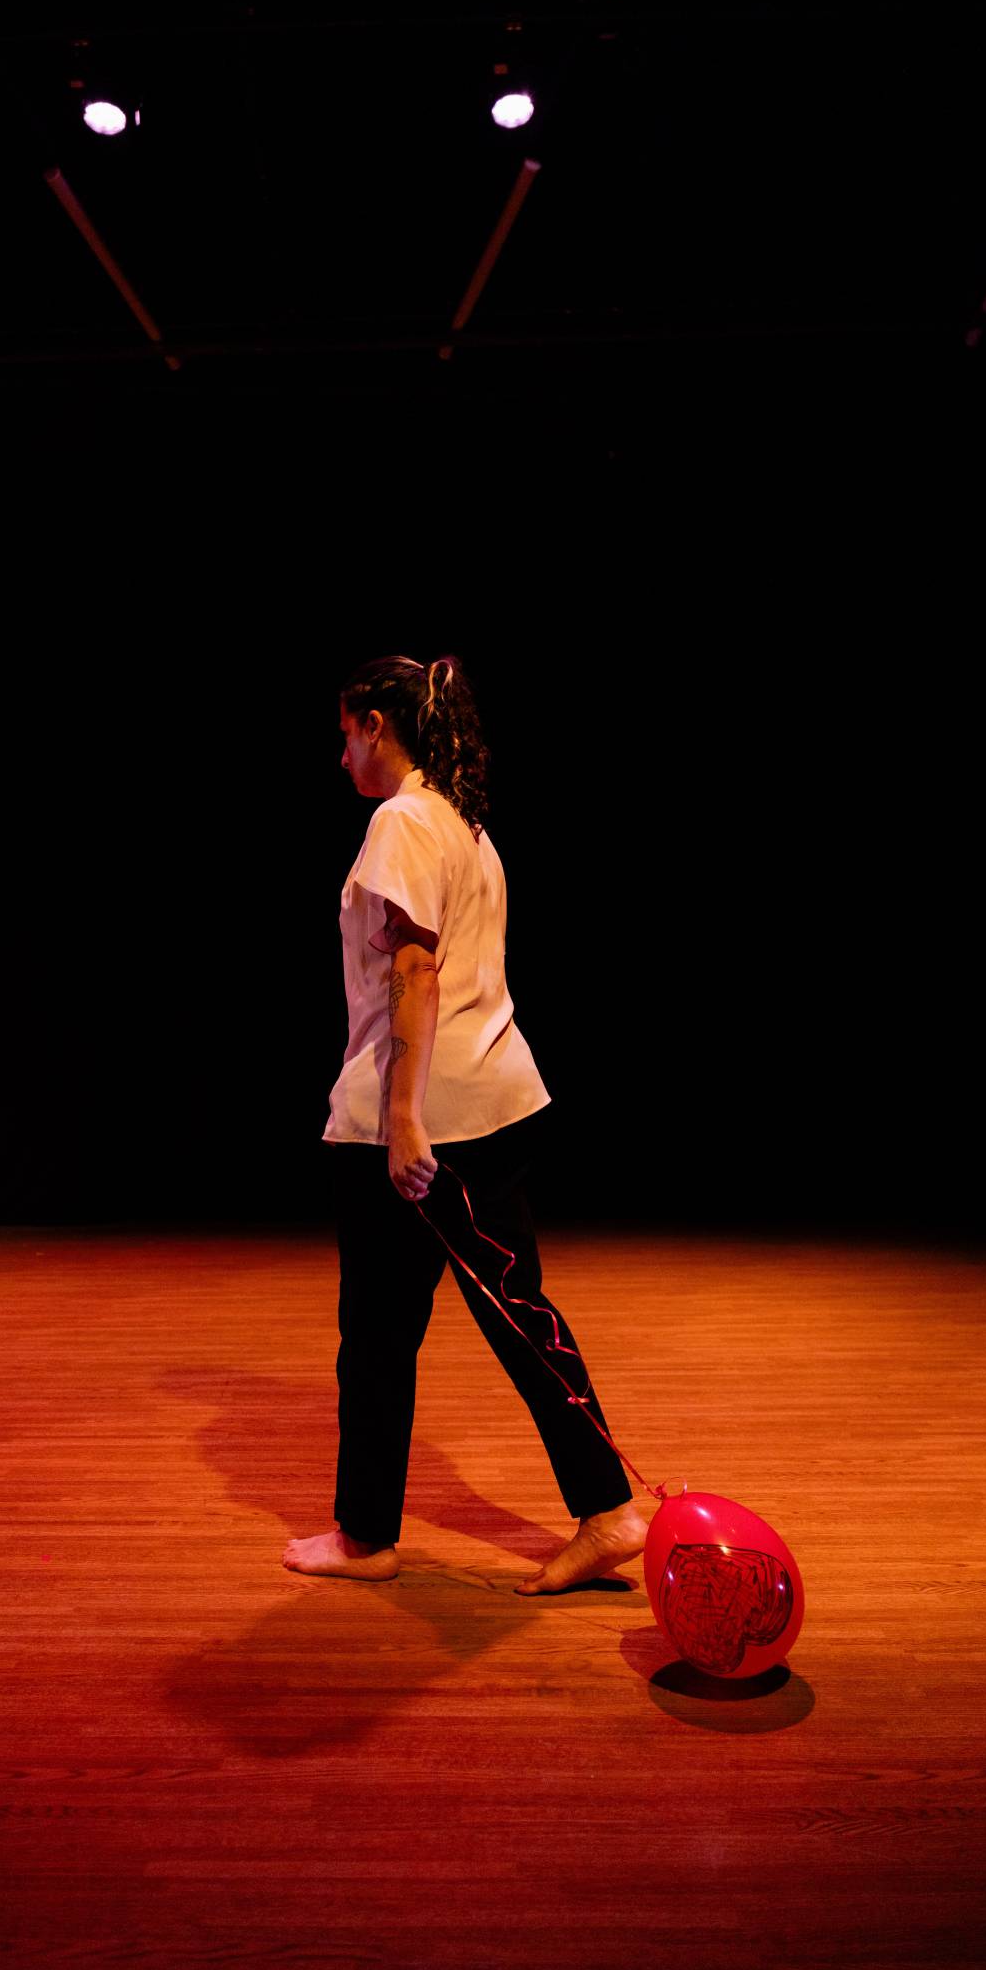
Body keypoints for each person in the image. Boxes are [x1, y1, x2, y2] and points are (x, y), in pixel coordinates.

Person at [284, 653, 649, 1594]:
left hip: (424, 1120)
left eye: (345, 735)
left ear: (374, 723)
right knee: (471, 1316)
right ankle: (585, 1513)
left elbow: (416, 971)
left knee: (386, 1329)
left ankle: (384, 1535)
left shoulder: (403, 819)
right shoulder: (463, 823)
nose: (342, 757)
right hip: (489, 1102)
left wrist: (404, 1123)